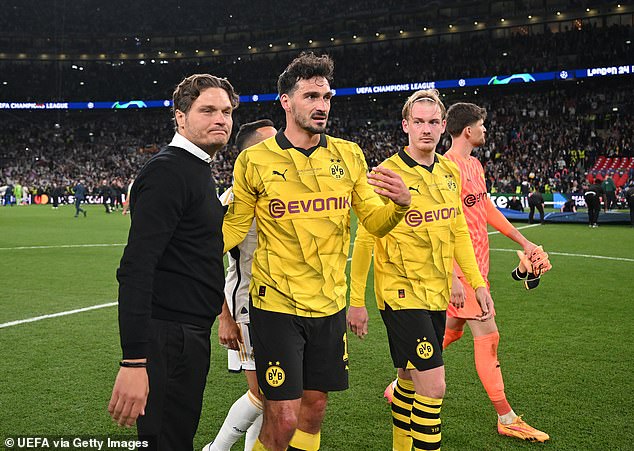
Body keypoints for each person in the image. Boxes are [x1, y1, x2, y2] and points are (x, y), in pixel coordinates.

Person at [222, 52, 411, 451]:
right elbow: (234, 229)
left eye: (326, 96)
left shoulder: (349, 154)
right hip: (275, 305)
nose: (322, 105)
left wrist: (398, 206)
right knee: (283, 415)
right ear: (286, 102)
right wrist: (187, 247)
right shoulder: (254, 160)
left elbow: (374, 223)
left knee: (314, 408)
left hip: (328, 305)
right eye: (311, 96)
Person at [348, 91, 494, 451]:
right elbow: (365, 240)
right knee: (434, 386)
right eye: (418, 122)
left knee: (407, 379)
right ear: (405, 125)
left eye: (433, 122)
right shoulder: (386, 174)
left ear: (444, 126)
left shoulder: (449, 171)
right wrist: (356, 301)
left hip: (436, 294)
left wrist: (472, 281)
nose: (426, 129)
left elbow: (456, 229)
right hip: (400, 295)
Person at [108, 73, 239, 450]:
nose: (221, 119)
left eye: (227, 111)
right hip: (166, 336)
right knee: (164, 440)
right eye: (208, 110)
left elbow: (196, 254)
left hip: (187, 333)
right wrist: (135, 360)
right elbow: (136, 267)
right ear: (180, 117)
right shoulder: (168, 170)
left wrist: (221, 313)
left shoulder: (196, 167)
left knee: (176, 437)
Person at [439, 102, 550, 442]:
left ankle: (401, 383)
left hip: (478, 270)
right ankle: (507, 416)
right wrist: (457, 277)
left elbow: (486, 209)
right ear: (468, 130)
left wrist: (525, 241)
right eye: (482, 125)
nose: (486, 130)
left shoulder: (475, 165)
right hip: (463, 273)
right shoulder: (445, 169)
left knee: (449, 332)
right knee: (489, 337)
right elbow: (443, 228)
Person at [202, 119, 277, 451]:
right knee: (261, 394)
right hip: (247, 305)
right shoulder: (232, 201)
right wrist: (225, 317)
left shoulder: (281, 190)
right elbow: (206, 259)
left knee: (276, 392)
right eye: (272, 144)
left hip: (284, 304)